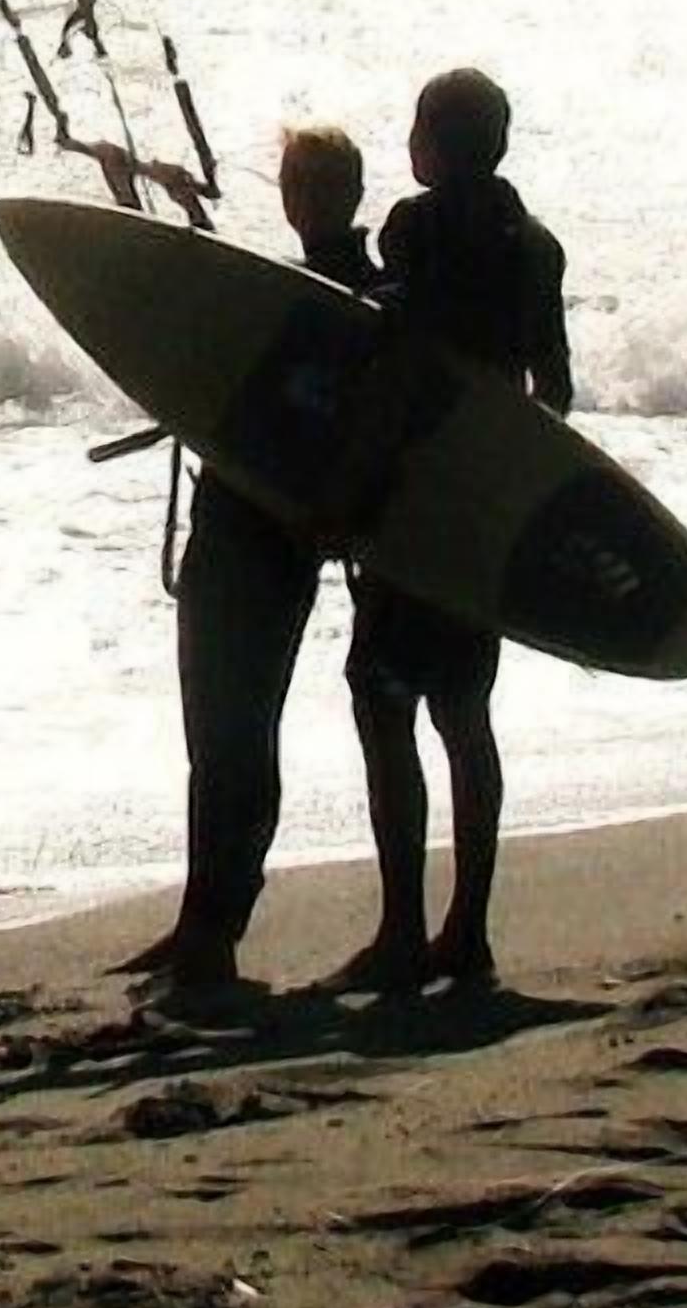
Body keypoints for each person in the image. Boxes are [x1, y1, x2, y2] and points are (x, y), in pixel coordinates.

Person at [332, 68, 572, 992]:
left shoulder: (414, 230)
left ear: (434, 144)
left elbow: (396, 371)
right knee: (465, 714)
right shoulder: (536, 250)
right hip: (485, 515)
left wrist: (348, 496)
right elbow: (553, 394)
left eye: (417, 127)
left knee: (382, 697)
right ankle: (466, 933)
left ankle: (401, 930)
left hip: (416, 508)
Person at [129, 124, 376, 990]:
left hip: (263, 536)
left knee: (237, 729)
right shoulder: (315, 285)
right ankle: (203, 915)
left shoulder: (351, 297)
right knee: (216, 731)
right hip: (241, 525)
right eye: (290, 181)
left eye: (302, 181)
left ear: (327, 193)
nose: (293, 195)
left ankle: (220, 924)